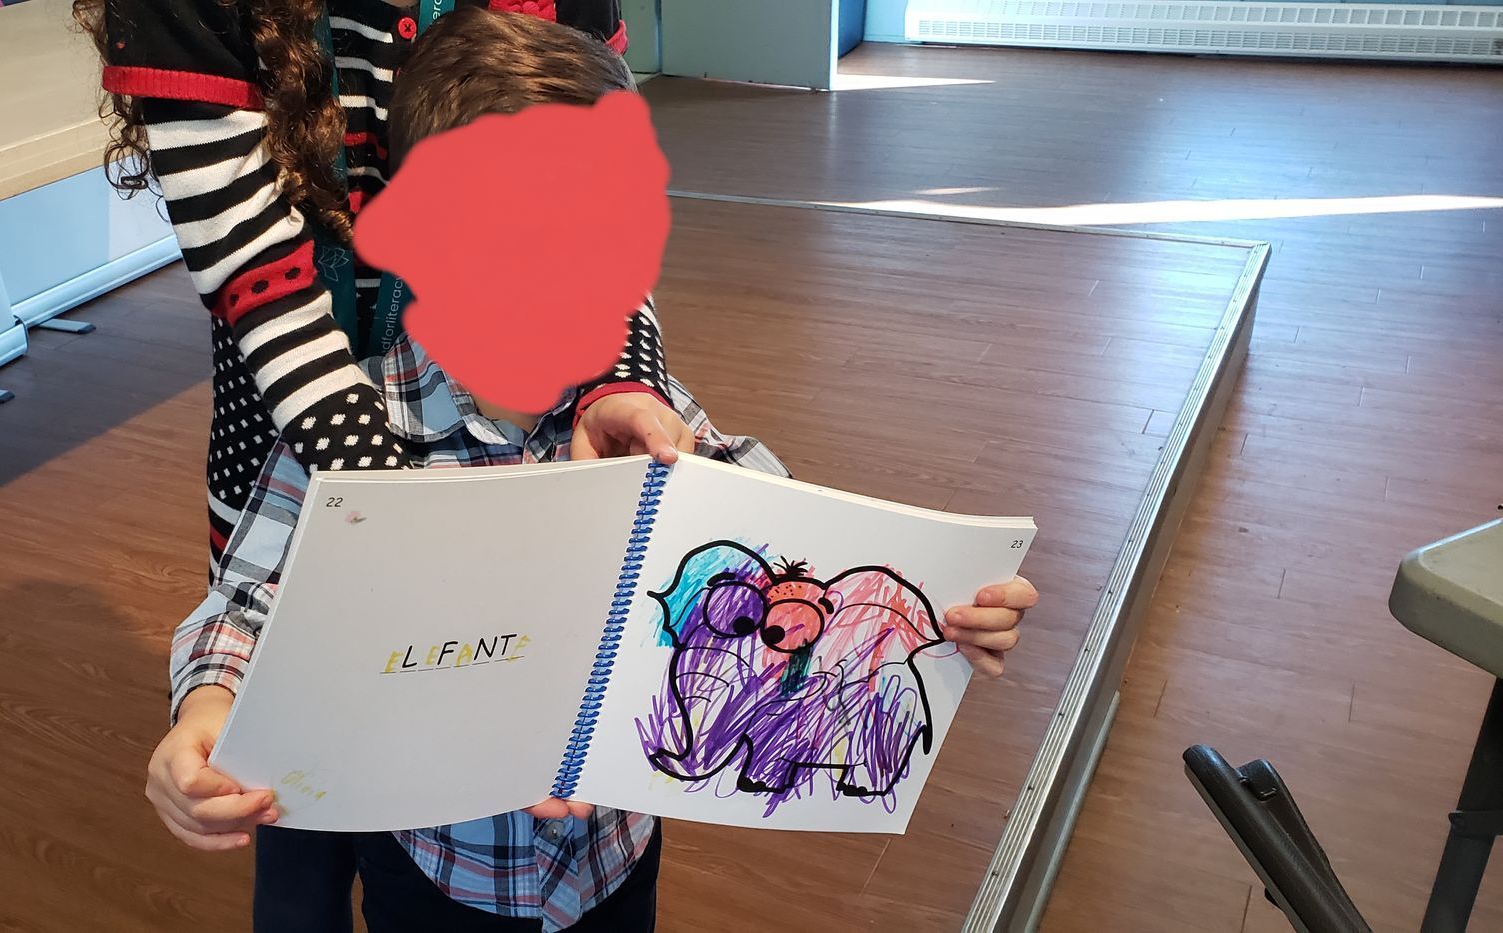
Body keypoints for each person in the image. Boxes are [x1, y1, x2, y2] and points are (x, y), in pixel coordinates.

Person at [141, 10, 1040, 932]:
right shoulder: (346, 438)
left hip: (613, 855)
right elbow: (242, 610)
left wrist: (938, 606)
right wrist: (207, 708)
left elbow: (780, 538)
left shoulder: (646, 418)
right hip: (444, 866)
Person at [75, 0, 694, 584]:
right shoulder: (284, 478)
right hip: (294, 423)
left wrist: (622, 378)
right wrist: (386, 503)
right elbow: (248, 262)